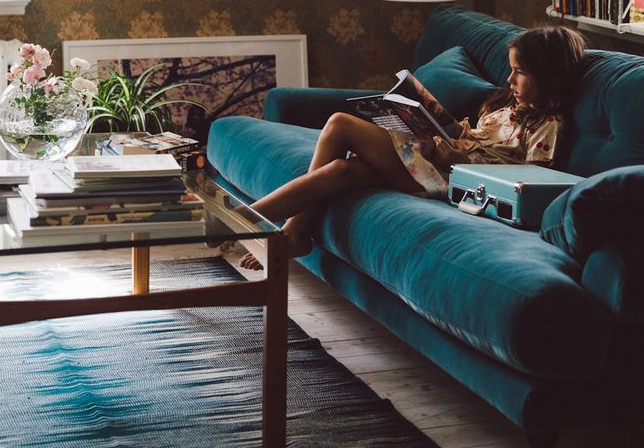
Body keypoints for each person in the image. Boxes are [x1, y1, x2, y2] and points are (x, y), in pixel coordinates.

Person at [240, 25, 585, 271]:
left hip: (448, 182)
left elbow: (532, 184)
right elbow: (474, 138)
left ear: (549, 77)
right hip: (434, 162)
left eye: (519, 73)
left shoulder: (548, 124)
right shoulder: (505, 109)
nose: (509, 81)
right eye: (510, 71)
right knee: (340, 171)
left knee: (339, 125)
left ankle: (261, 226)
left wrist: (460, 162)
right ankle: (271, 229)